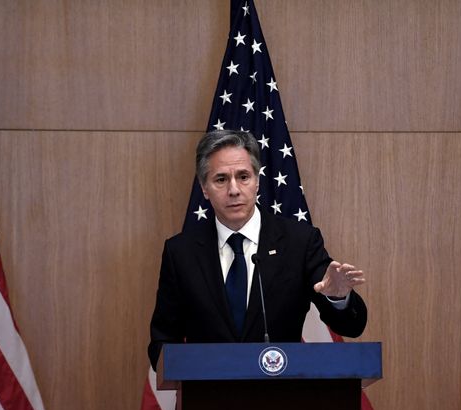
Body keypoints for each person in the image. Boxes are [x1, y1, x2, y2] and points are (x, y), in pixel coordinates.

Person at [148, 130, 367, 370]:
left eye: (243, 177)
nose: (234, 190)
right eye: (221, 179)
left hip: (280, 399)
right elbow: (162, 340)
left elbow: (351, 327)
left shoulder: (299, 242)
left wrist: (338, 298)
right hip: (207, 401)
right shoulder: (181, 252)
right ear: (204, 188)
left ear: (257, 181)